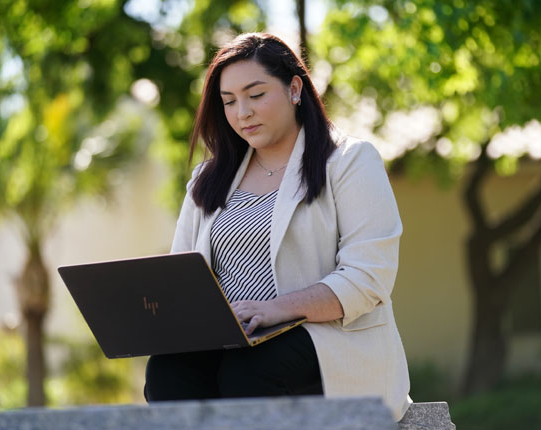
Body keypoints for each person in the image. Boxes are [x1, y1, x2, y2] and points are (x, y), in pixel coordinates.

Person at [144, 32, 412, 421]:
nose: (242, 113)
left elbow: (368, 278)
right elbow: (183, 277)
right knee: (167, 371)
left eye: (256, 95)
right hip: (228, 341)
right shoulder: (208, 178)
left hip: (326, 342)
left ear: (294, 88)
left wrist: (275, 310)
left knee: (251, 371)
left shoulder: (350, 162)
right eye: (229, 102)